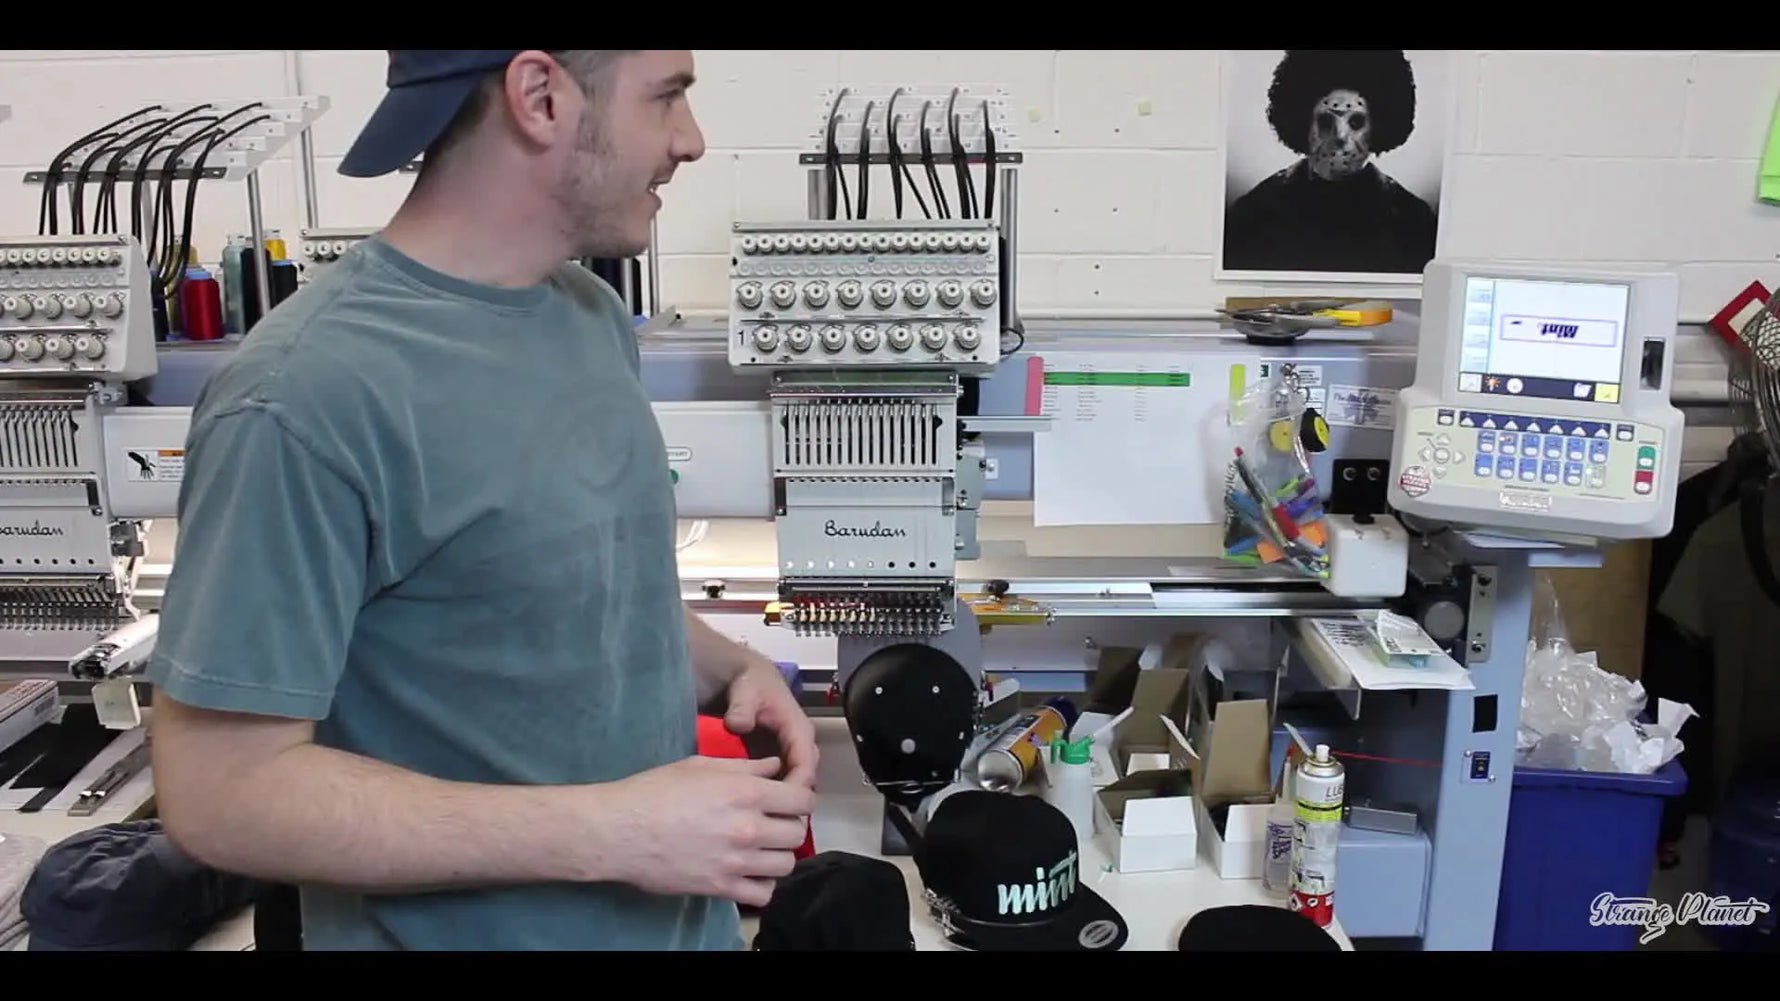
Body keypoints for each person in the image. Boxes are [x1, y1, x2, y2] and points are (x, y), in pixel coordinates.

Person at [144, 49, 819, 951]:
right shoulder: (306, 397)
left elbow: (556, 590)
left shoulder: (584, 315)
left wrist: (732, 665)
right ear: (540, 97)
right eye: (666, 99)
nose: (689, 142)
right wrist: (617, 832)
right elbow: (222, 795)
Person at [1221, 49, 1438, 276]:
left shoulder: (1411, 219)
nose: (1341, 136)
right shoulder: (1255, 212)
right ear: (1303, 125)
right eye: (1326, 121)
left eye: (1356, 122)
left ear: (1378, 128)